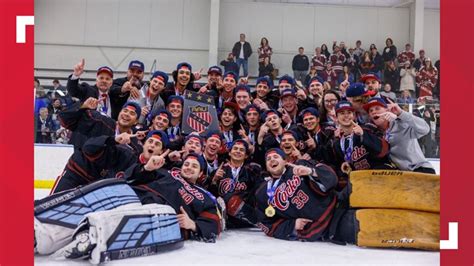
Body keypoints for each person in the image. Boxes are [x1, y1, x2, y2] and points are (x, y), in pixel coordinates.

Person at [363, 97, 435, 173]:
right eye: (370, 111)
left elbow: (425, 129)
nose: (374, 112)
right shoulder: (372, 133)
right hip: (400, 175)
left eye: (377, 108)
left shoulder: (402, 125)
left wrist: (401, 113)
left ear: (387, 110)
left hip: (420, 169)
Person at [329, 101, 395, 178]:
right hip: (361, 181)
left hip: (381, 175)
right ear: (336, 118)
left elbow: (383, 150)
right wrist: (346, 165)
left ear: (354, 115)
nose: (346, 115)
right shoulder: (338, 143)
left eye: (349, 112)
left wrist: (363, 135)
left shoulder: (368, 128)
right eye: (342, 113)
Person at [210, 139, 263, 228]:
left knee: (232, 198)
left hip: (244, 213)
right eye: (235, 149)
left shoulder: (252, 171)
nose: (238, 151)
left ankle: (256, 220)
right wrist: (214, 181)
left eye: (241, 150)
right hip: (226, 214)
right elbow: (211, 195)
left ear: (246, 155)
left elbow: (259, 191)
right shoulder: (218, 171)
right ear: (230, 153)